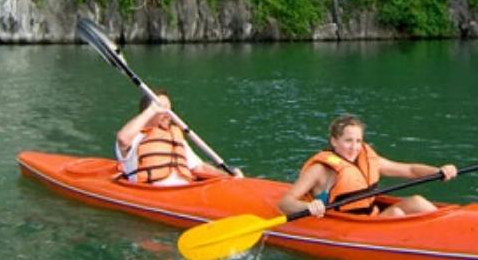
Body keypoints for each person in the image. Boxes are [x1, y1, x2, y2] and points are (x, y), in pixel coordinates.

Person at [278, 114, 457, 218]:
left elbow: (409, 170)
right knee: (396, 214)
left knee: (417, 201)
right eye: (348, 141)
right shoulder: (321, 170)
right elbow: (285, 203)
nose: (355, 147)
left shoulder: (369, 160)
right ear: (334, 141)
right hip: (349, 226)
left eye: (358, 141)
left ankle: (453, 230)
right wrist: (309, 208)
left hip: (373, 217)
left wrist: (439, 171)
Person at [115, 90, 242, 185]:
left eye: (170, 111)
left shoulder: (175, 137)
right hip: (153, 193)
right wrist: (152, 110)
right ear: (147, 112)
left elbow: (200, 167)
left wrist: (228, 176)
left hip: (186, 190)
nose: (168, 115)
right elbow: (122, 139)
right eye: (162, 110)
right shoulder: (135, 137)